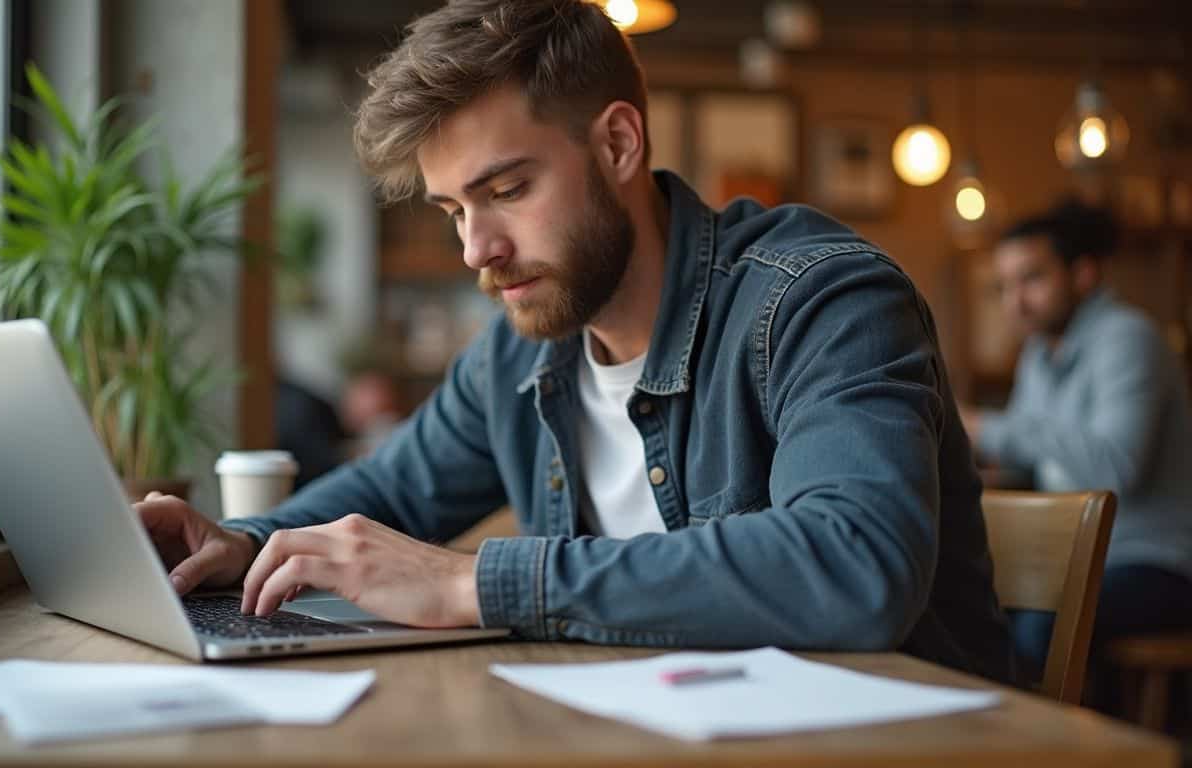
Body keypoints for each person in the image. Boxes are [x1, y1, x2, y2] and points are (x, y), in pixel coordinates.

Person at [135, 0, 1013, 682]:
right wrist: (243, 546)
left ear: (619, 142)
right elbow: (389, 490)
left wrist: (467, 584)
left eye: (507, 189)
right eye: (454, 211)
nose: (476, 248)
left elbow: (856, 565)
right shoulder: (519, 354)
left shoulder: (819, 298)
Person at [962, 200, 1192, 702]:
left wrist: (987, 428)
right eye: (1004, 286)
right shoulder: (1040, 352)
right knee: (966, 602)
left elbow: (1117, 464)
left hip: (1156, 563)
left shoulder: (1128, 338)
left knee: (1039, 622)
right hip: (1081, 558)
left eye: (1032, 279)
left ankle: (1056, 750)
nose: (1014, 301)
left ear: (1083, 273)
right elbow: (1025, 458)